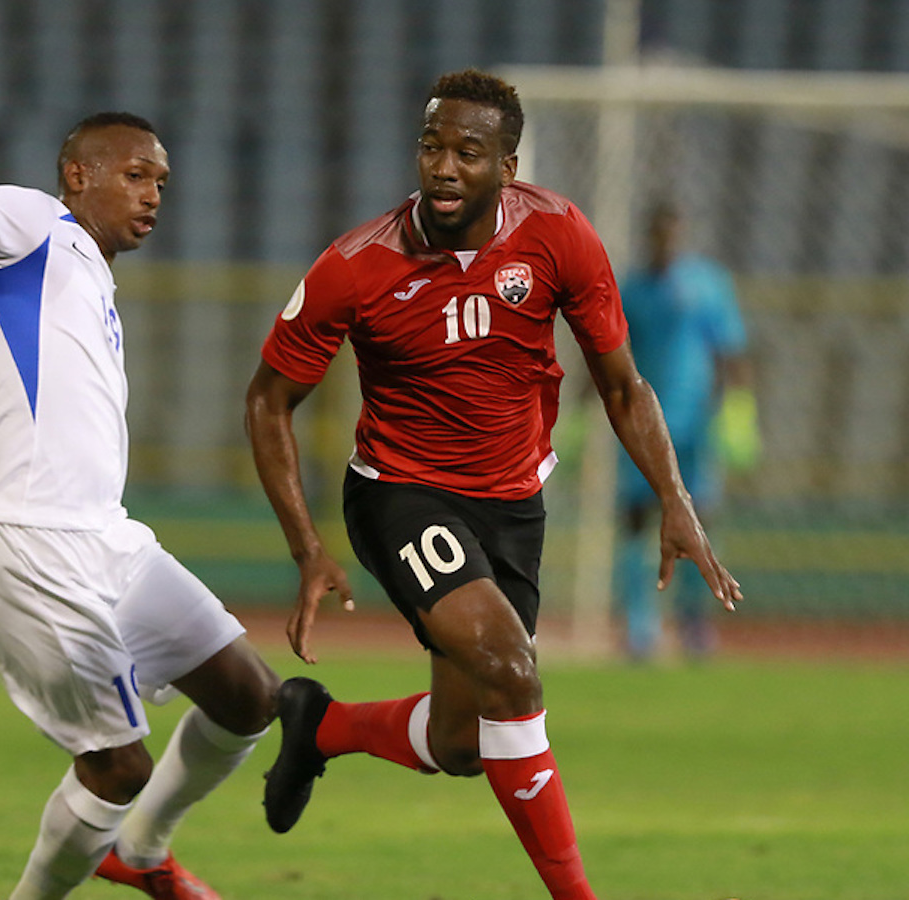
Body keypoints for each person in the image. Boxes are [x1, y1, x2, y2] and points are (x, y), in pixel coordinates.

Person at [244, 69, 743, 900]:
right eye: (431, 147)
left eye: (467, 152)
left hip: (513, 503)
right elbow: (268, 401)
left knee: (466, 742)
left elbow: (622, 385)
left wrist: (676, 501)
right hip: (400, 494)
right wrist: (306, 546)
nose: (443, 167)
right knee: (514, 671)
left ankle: (318, 724)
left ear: (506, 167)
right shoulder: (357, 265)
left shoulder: (558, 236)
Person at [0, 59, 280, 900]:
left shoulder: (88, 281)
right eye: (135, 175)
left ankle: (147, 853)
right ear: (77, 175)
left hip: (105, 539)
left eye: (161, 180)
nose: (154, 195)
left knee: (248, 696)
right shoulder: (32, 220)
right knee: (117, 764)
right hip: (35, 543)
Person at [616, 202, 755, 660]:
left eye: (672, 235)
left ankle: (696, 620)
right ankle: (640, 626)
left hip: (697, 424)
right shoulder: (632, 289)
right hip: (645, 427)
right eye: (658, 235)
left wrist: (737, 412)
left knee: (701, 520)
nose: (666, 243)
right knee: (635, 520)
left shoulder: (708, 284)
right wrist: (579, 415)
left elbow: (730, 353)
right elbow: (612, 354)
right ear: (649, 237)